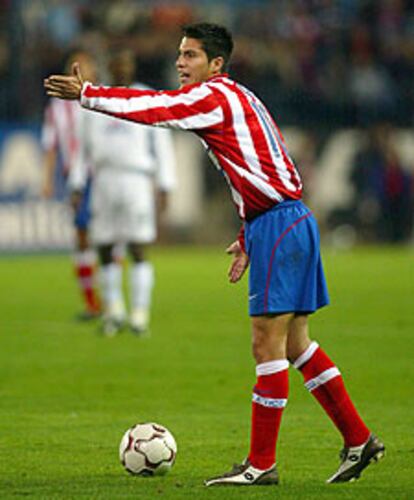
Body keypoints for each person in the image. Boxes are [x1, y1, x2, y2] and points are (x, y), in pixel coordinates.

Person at [45, 22, 385, 486]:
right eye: (180, 54)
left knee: (267, 345)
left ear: (216, 64)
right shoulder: (242, 98)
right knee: (295, 344)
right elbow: (270, 163)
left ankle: (261, 466)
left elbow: (158, 108)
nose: (180, 63)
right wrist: (250, 235)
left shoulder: (214, 98)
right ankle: (358, 440)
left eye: (190, 56)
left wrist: (89, 94)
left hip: (280, 224)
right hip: (285, 220)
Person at [68, 48, 176, 336]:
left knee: (138, 247)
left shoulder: (148, 97)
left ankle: (139, 314)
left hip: (137, 180)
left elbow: (162, 146)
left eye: (126, 63)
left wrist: (165, 184)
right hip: (103, 180)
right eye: (117, 63)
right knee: (103, 246)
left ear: (132, 67)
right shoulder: (94, 99)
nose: (121, 68)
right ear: (110, 66)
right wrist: (77, 184)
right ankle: (114, 311)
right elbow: (82, 150)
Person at [41, 48, 101, 320]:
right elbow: (51, 146)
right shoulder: (56, 108)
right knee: (82, 236)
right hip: (76, 179)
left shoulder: (102, 101)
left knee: (109, 237)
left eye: (87, 66)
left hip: (103, 176)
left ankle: (110, 300)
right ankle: (92, 303)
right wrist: (47, 179)